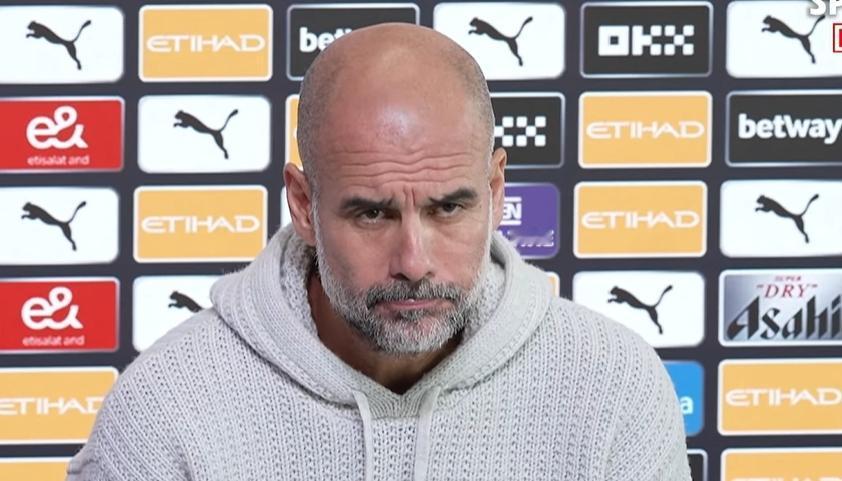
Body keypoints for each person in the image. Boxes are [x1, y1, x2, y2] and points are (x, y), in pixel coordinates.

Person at [66, 23, 690, 481]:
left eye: (449, 208)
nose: (414, 261)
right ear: (304, 205)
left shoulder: (614, 387)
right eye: (372, 213)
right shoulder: (166, 408)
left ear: (496, 191)